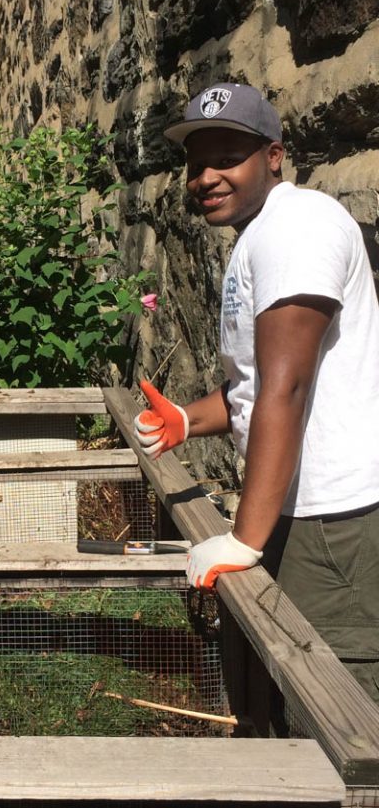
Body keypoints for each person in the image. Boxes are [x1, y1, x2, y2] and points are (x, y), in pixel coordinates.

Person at [133, 82, 379, 703]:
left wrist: (244, 537)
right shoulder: (264, 233)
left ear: (274, 156)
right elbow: (257, 384)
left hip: (336, 521)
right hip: (305, 510)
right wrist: (187, 421)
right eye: (196, 164)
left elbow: (286, 387)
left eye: (226, 158)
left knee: (342, 701)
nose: (207, 177)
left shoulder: (295, 229)